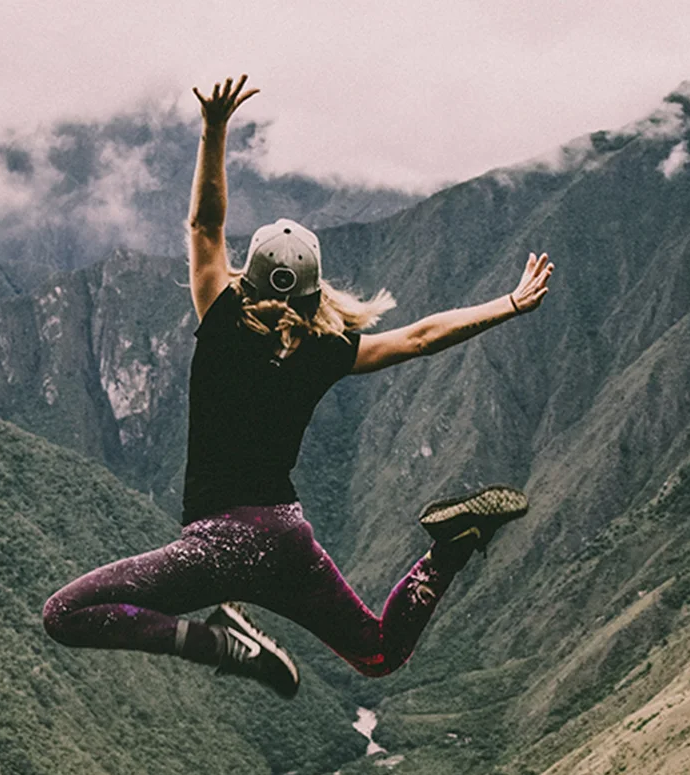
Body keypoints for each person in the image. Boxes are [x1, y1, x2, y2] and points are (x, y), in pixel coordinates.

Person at [42, 75, 555, 697]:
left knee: (65, 615)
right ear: (316, 290)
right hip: (287, 539)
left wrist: (214, 128)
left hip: (218, 546)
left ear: (247, 277)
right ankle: (447, 550)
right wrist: (508, 303)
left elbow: (205, 225)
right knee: (378, 653)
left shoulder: (223, 317)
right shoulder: (326, 350)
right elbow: (420, 337)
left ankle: (218, 644)